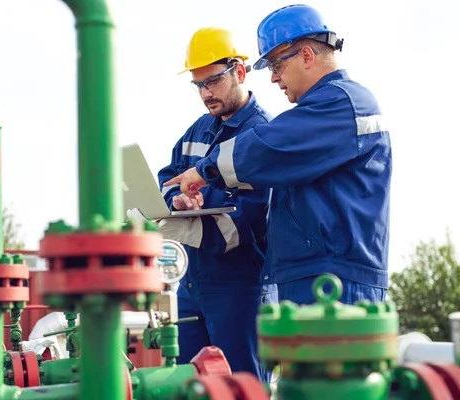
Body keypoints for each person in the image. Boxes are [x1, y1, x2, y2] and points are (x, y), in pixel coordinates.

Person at [163, 5, 392, 306]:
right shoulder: (323, 109)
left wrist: (204, 171)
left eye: (275, 65)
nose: (273, 78)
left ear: (307, 56)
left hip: (337, 281)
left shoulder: (344, 103)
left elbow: (268, 147)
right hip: (310, 275)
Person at [156, 27, 277, 382]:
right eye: (198, 85)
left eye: (213, 82)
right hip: (192, 286)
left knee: (242, 387)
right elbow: (168, 182)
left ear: (240, 72)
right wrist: (176, 201)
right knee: (185, 386)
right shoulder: (198, 131)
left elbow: (246, 220)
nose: (206, 93)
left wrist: (190, 215)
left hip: (241, 289)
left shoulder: (263, 134)